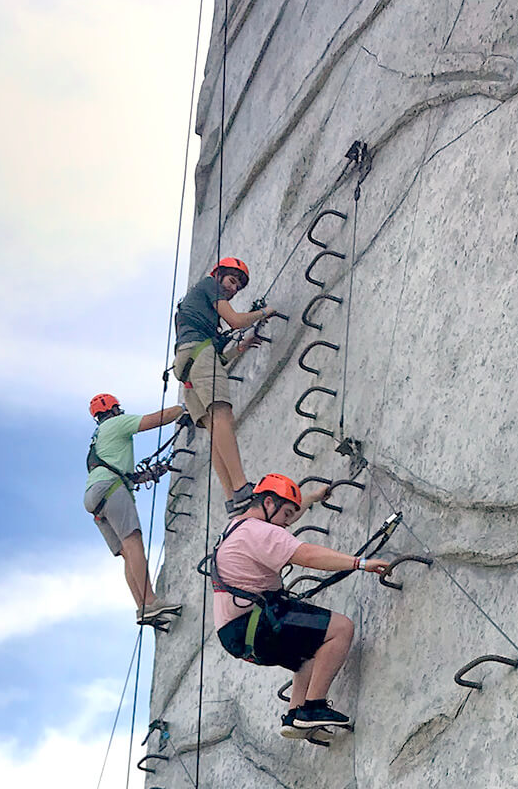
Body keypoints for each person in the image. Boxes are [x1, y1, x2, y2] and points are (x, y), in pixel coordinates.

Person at [210, 473, 389, 737]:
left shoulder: (237, 527)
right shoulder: (259, 532)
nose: (288, 523)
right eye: (286, 514)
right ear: (268, 503)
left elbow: (282, 521)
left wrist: (314, 497)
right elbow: (306, 555)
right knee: (340, 629)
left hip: (236, 635)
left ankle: (295, 716)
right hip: (256, 624)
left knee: (308, 656)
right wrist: (359, 563)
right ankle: (313, 707)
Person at [172, 257, 280, 514]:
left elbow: (216, 356)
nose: (233, 288)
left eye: (238, 287)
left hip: (187, 365)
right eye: (232, 280)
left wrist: (240, 348)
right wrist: (265, 312)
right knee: (223, 416)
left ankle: (232, 498)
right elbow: (236, 321)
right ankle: (241, 486)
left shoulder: (198, 312)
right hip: (199, 355)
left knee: (214, 432)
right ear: (218, 274)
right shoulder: (209, 285)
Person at [83, 392, 187, 625]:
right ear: (114, 408)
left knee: (127, 554)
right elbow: (154, 420)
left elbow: (112, 467)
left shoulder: (98, 436)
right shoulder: (117, 423)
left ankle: (141, 606)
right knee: (134, 543)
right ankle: (150, 602)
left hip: (95, 496)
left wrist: (143, 477)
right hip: (111, 489)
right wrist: (182, 408)